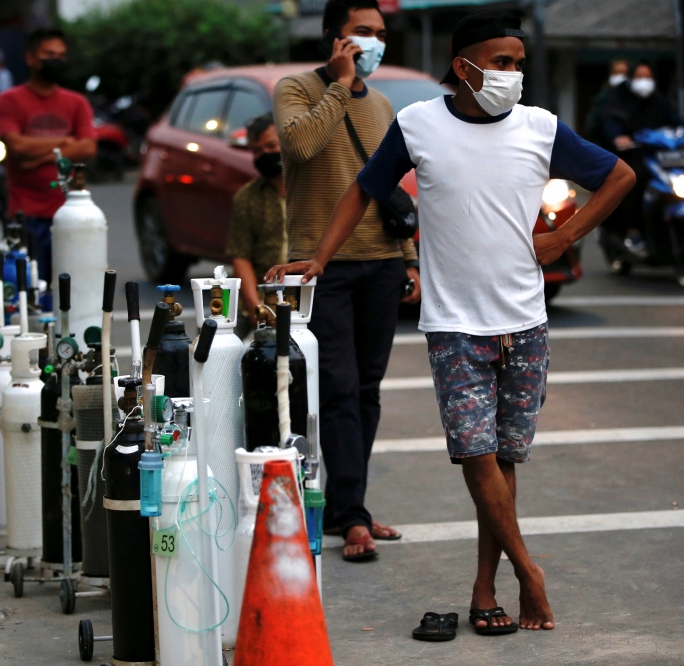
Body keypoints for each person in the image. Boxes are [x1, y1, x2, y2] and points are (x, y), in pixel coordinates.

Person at [271, 9, 635, 633]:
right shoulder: (419, 125)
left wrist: (562, 238)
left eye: (519, 64)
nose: (512, 75)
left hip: (525, 322)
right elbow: (363, 189)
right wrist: (322, 259)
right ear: (464, 65)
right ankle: (530, 574)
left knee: (503, 460)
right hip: (454, 326)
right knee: (477, 454)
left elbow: (619, 175)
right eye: (501, 63)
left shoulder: (541, 127)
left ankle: (484, 588)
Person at [269, 0, 420, 563]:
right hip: (320, 266)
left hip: (381, 262)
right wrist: (339, 86)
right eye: (362, 32)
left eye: (380, 34)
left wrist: (408, 259)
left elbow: (386, 188)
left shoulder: (381, 104)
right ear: (335, 38)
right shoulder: (297, 90)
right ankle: (351, 516)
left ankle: (346, 505)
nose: (374, 42)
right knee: (337, 389)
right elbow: (300, 146)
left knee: (366, 391)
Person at [0, 27, 97, 293]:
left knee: (70, 290)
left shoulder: (76, 103)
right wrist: (64, 142)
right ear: (31, 58)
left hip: (69, 213)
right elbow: (15, 146)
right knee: (27, 291)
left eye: (61, 55)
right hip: (25, 214)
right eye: (49, 54)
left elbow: (87, 147)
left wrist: (33, 159)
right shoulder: (10, 100)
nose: (56, 60)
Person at [602, 61, 684, 254]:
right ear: (631, 79)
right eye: (640, 77)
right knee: (635, 181)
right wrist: (620, 137)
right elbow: (611, 123)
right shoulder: (619, 101)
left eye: (648, 77)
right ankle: (634, 231)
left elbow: (677, 121)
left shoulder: (658, 101)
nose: (645, 81)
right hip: (633, 155)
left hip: (661, 157)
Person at [226, 113, 287, 336]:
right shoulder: (247, 197)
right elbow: (240, 256)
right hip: (262, 297)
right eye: (257, 151)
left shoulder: (311, 189)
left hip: (309, 298)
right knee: (215, 351)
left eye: (272, 146)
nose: (265, 155)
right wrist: (255, 308)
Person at [582, 58, 628, 148]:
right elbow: (592, 126)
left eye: (623, 73)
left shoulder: (636, 100)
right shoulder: (602, 98)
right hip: (607, 148)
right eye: (617, 73)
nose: (620, 77)